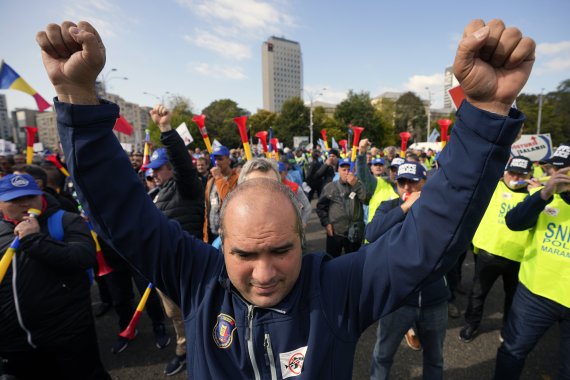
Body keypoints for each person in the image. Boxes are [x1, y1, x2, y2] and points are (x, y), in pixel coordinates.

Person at [37, 18, 534, 379]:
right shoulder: (195, 278)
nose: (264, 273)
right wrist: (79, 96)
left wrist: (486, 112)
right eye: (244, 253)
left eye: (280, 250)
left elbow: (430, 238)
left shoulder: (340, 287)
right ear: (220, 243)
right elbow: (120, 212)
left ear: (304, 238)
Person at [0, 174, 110, 379]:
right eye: (14, 200)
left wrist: (34, 240)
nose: (24, 203)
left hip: (68, 336)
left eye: (30, 197)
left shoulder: (67, 220)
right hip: (14, 343)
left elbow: (83, 257)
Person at [366, 162, 450, 380]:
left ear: (425, 183)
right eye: (402, 182)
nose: (407, 188)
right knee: (382, 355)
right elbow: (372, 233)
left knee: (434, 358)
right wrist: (404, 208)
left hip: (434, 299)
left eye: (413, 182)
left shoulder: (436, 210)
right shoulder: (388, 206)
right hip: (397, 300)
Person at [493, 145, 570, 379]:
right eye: (553, 168)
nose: (557, 173)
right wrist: (544, 194)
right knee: (512, 352)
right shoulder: (546, 196)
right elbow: (514, 222)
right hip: (535, 294)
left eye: (562, 169)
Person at [145, 104, 205, 376]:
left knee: (199, 314)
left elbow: (184, 164)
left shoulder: (187, 187)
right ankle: (183, 351)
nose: (153, 174)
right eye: (152, 170)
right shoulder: (152, 194)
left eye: (159, 169)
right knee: (176, 316)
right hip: (162, 269)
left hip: (189, 267)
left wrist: (166, 131)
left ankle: (206, 353)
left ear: (170, 168)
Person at [459, 156, 534, 343]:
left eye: (521, 174)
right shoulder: (492, 187)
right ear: (505, 172)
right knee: (478, 292)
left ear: (530, 175)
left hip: (519, 257)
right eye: (512, 173)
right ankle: (471, 324)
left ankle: (507, 328)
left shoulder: (535, 195)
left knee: (513, 298)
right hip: (488, 252)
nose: (515, 178)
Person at [317, 158, 369, 257]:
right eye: (343, 170)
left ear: (353, 171)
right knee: (332, 260)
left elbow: (366, 200)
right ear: (338, 171)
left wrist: (356, 185)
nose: (346, 172)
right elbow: (321, 207)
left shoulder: (359, 184)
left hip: (354, 233)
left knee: (353, 262)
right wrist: (326, 223)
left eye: (349, 169)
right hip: (335, 232)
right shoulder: (330, 187)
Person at [203, 145, 239, 243]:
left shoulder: (237, 178)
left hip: (229, 234)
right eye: (215, 159)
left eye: (220, 159)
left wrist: (219, 178)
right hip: (211, 233)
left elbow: (229, 200)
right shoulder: (211, 180)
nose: (217, 162)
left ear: (229, 160)